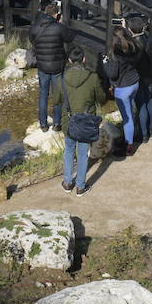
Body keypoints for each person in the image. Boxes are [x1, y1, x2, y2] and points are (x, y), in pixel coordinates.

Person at [56, 45, 105, 196]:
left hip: (68, 121)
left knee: (69, 150)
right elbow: (101, 99)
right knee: (83, 153)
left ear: (69, 60)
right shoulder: (93, 77)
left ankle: (67, 182)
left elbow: (57, 100)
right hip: (86, 121)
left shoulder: (61, 79)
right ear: (84, 59)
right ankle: (80, 186)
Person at [30, 3, 75, 132]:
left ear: (45, 13)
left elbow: (31, 40)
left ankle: (43, 124)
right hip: (57, 66)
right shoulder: (59, 27)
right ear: (56, 15)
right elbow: (70, 38)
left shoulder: (34, 27)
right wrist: (61, 23)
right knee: (57, 95)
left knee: (43, 94)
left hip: (42, 65)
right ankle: (57, 123)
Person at [104, 27, 142, 155]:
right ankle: (132, 136)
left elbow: (112, 74)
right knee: (131, 111)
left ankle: (129, 146)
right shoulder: (133, 46)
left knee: (127, 117)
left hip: (123, 88)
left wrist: (105, 63)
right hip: (134, 82)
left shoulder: (115, 53)